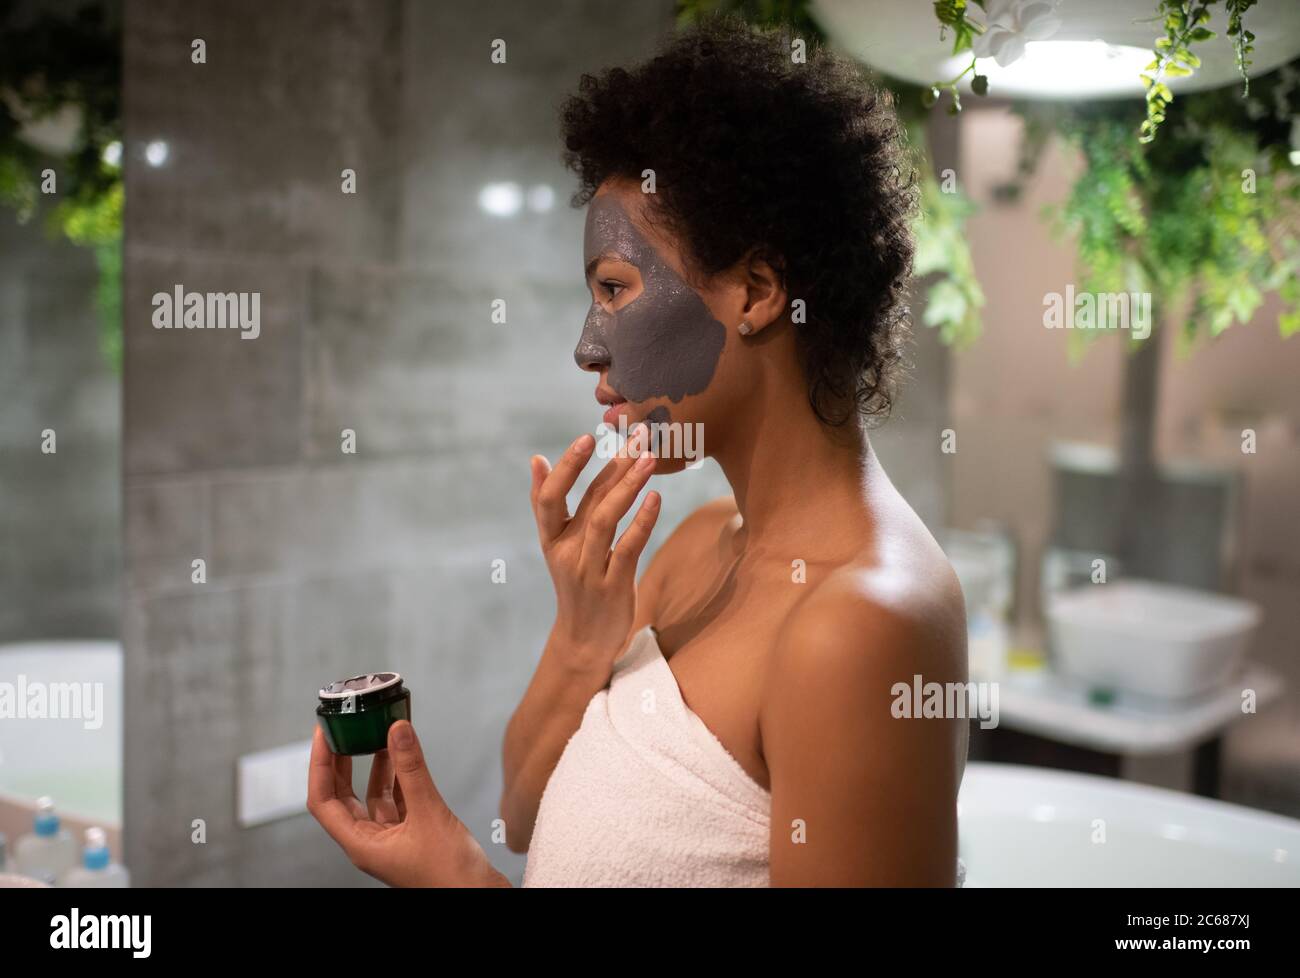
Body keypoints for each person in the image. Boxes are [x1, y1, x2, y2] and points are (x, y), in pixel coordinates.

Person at [309, 16, 967, 887]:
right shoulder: (700, 547)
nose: (587, 346)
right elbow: (520, 815)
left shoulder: (861, 628)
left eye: (615, 289)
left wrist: (457, 882)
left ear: (758, 292)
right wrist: (583, 634)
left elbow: (492, 862)